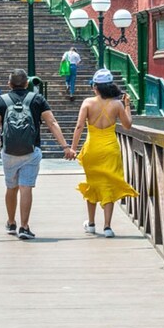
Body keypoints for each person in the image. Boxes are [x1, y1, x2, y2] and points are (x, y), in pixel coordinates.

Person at [0, 69, 76, 240]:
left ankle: (11, 222)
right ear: (27, 83)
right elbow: (52, 122)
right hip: (31, 151)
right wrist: (65, 147)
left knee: (11, 187)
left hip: (8, 151)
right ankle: (24, 227)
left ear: (9, 84)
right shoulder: (37, 99)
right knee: (26, 187)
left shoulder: (2, 101)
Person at [69, 69, 138, 238]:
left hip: (92, 148)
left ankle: (91, 224)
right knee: (108, 185)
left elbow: (79, 127)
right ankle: (107, 227)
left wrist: (72, 148)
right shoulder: (117, 105)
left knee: (92, 183)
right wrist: (127, 104)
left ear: (95, 87)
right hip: (110, 148)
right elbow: (128, 125)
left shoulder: (87, 103)